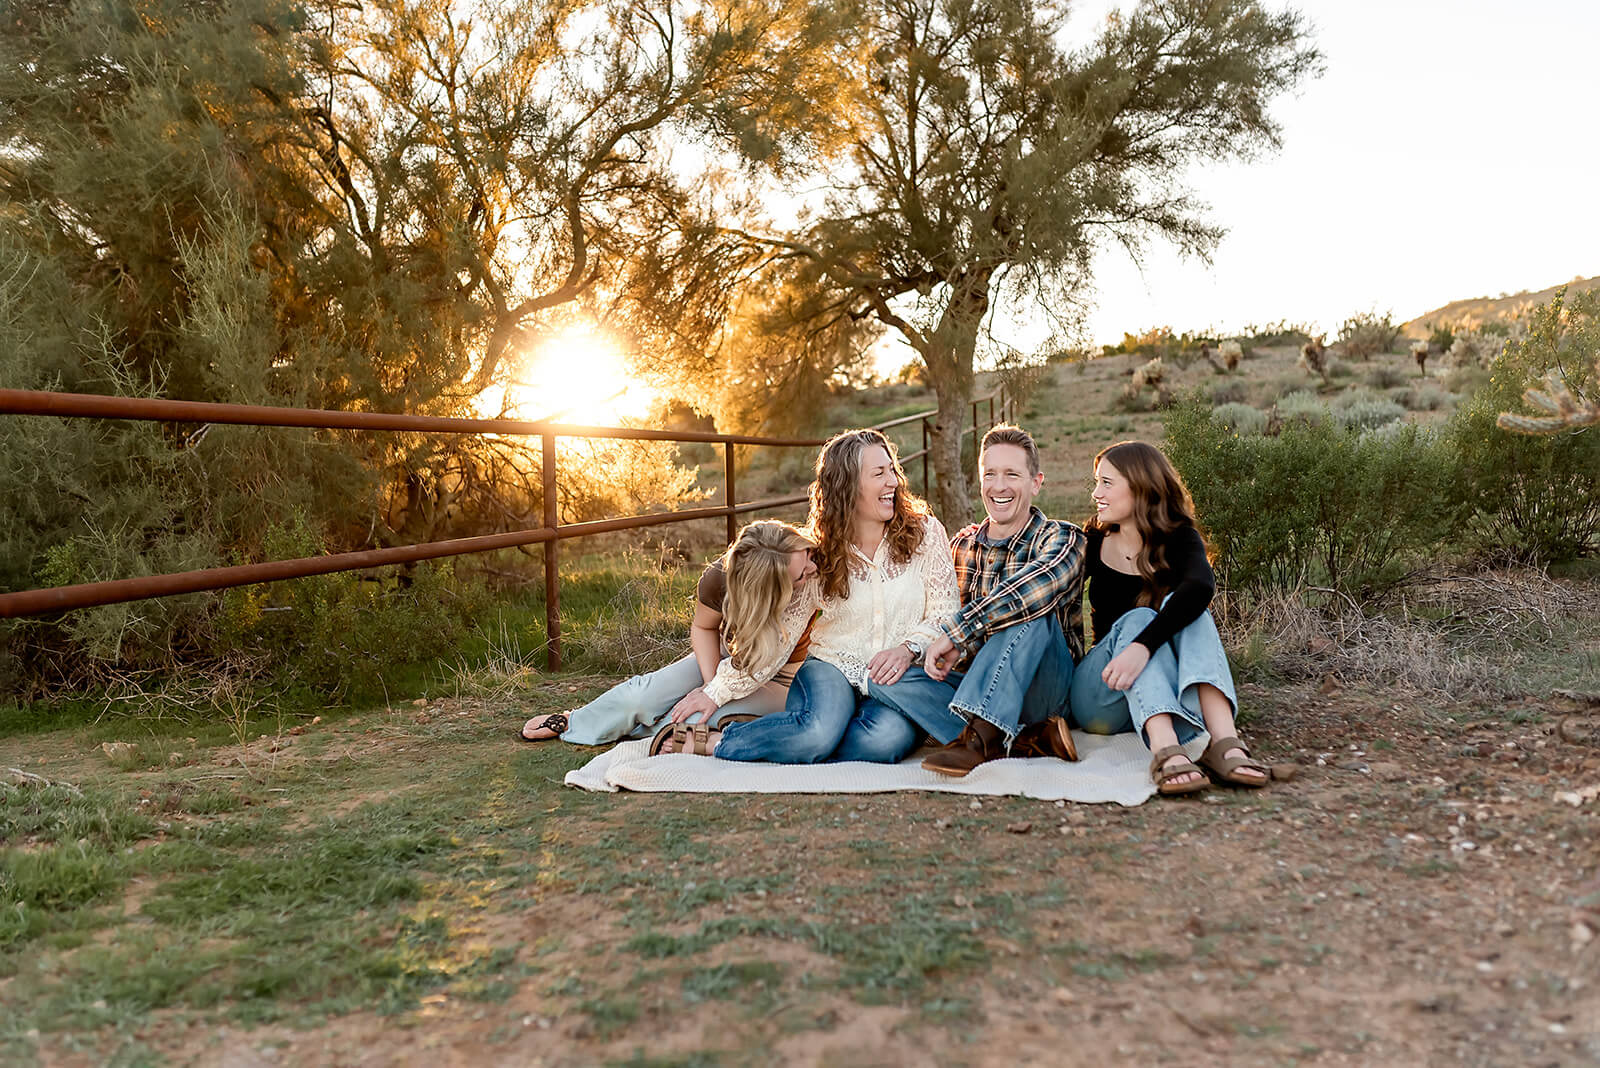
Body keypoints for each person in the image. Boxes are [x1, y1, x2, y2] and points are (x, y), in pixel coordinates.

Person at [675, 428, 964, 762]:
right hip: (831, 668)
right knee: (818, 733)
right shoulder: (821, 551)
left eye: (891, 470)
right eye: (879, 474)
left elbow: (945, 612)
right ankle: (721, 742)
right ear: (848, 486)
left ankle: (784, 734)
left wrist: (906, 648)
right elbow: (782, 639)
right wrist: (715, 692)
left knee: (883, 742)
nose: (893, 482)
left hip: (896, 678)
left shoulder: (926, 534)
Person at [857, 424, 1087, 775]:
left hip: (1044, 691)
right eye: (990, 474)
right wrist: (920, 649)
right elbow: (937, 614)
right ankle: (1020, 741)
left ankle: (980, 739)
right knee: (881, 677)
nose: (999, 486)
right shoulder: (961, 547)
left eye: (1012, 474)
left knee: (1029, 605)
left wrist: (957, 633)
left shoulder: (1062, 538)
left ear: (1036, 482)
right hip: (975, 685)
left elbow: (1033, 589)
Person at [1067, 441, 1269, 795]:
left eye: (1107, 483)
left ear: (1140, 487)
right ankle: (1165, 750)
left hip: (1156, 690)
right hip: (1101, 693)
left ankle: (1225, 742)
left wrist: (1144, 647)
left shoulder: (1178, 538)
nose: (1096, 493)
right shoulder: (1094, 539)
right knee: (1139, 617)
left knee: (1191, 607)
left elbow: (1201, 586)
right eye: (1096, 482)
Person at [517, 520, 819, 747]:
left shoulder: (819, 571)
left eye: (806, 553)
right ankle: (577, 720)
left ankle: (647, 731)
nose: (812, 567)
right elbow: (703, 627)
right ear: (765, 589)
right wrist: (712, 684)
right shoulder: (720, 579)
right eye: (800, 573)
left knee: (693, 720)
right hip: (729, 656)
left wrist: (712, 696)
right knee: (639, 698)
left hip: (784, 678)